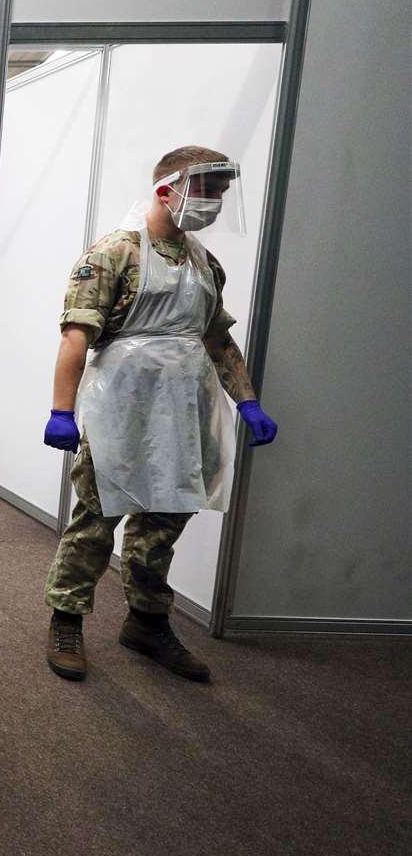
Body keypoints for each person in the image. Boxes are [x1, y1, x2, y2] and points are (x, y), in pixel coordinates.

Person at [41, 145, 278, 684]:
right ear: (167, 191)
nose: (214, 204)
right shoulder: (114, 254)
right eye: (206, 192)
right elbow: (77, 335)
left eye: (220, 194)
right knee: (97, 520)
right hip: (120, 411)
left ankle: (147, 622)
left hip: (183, 411)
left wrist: (247, 400)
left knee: (165, 520)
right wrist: (62, 410)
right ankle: (66, 620)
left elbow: (217, 339)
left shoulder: (203, 264)